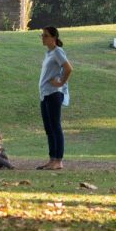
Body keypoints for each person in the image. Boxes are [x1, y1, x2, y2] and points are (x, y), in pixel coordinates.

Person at [37, 26, 72, 171]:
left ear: (53, 38)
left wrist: (61, 82)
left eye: (45, 36)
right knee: (48, 128)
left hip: (53, 94)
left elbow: (68, 68)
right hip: (45, 94)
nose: (42, 38)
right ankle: (52, 159)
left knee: (55, 126)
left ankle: (58, 160)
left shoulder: (58, 52)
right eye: (42, 35)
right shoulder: (49, 53)